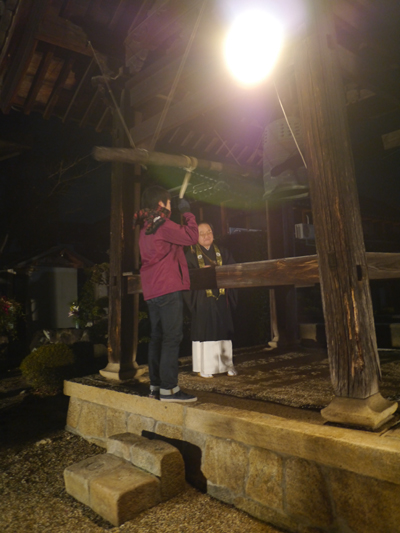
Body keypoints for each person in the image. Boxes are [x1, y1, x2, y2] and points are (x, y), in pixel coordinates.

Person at [133, 186, 199, 403]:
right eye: (169, 202)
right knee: (172, 338)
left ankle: (156, 386)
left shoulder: (145, 228)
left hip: (152, 289)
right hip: (168, 287)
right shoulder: (162, 224)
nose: (171, 206)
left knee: (157, 337)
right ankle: (169, 389)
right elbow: (192, 236)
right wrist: (187, 213)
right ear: (161, 203)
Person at [185, 222, 238, 378]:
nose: (206, 235)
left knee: (224, 330)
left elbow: (233, 270)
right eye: (201, 233)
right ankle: (205, 367)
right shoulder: (190, 254)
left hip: (221, 297)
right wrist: (201, 274)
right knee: (206, 330)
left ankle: (227, 365)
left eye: (209, 232)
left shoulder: (223, 252)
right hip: (202, 298)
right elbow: (186, 276)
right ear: (195, 236)